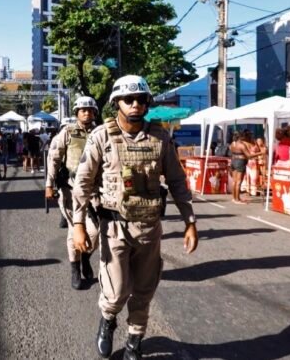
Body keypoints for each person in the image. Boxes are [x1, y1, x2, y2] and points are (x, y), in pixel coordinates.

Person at [72, 75, 198, 359]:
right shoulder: (101, 136)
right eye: (129, 100)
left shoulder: (160, 137)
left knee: (144, 290)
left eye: (141, 99)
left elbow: (177, 181)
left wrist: (190, 221)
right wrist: (78, 224)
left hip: (150, 228)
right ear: (117, 103)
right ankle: (107, 320)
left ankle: (134, 339)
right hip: (114, 227)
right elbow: (82, 182)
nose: (136, 105)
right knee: (116, 292)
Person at [45, 96, 99, 290]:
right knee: (73, 229)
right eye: (82, 110)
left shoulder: (100, 132)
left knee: (96, 231)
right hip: (70, 189)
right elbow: (54, 158)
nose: (86, 113)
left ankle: (85, 256)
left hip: (95, 191)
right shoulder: (67, 132)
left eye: (90, 110)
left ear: (94, 113)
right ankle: (75, 268)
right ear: (77, 113)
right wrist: (49, 184)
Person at [229, 132, 263, 204]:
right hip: (240, 162)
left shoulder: (232, 144)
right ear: (240, 137)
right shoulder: (241, 145)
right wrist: (261, 153)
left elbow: (231, 152)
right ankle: (237, 199)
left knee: (234, 181)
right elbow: (249, 156)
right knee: (238, 182)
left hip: (233, 161)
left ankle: (234, 198)